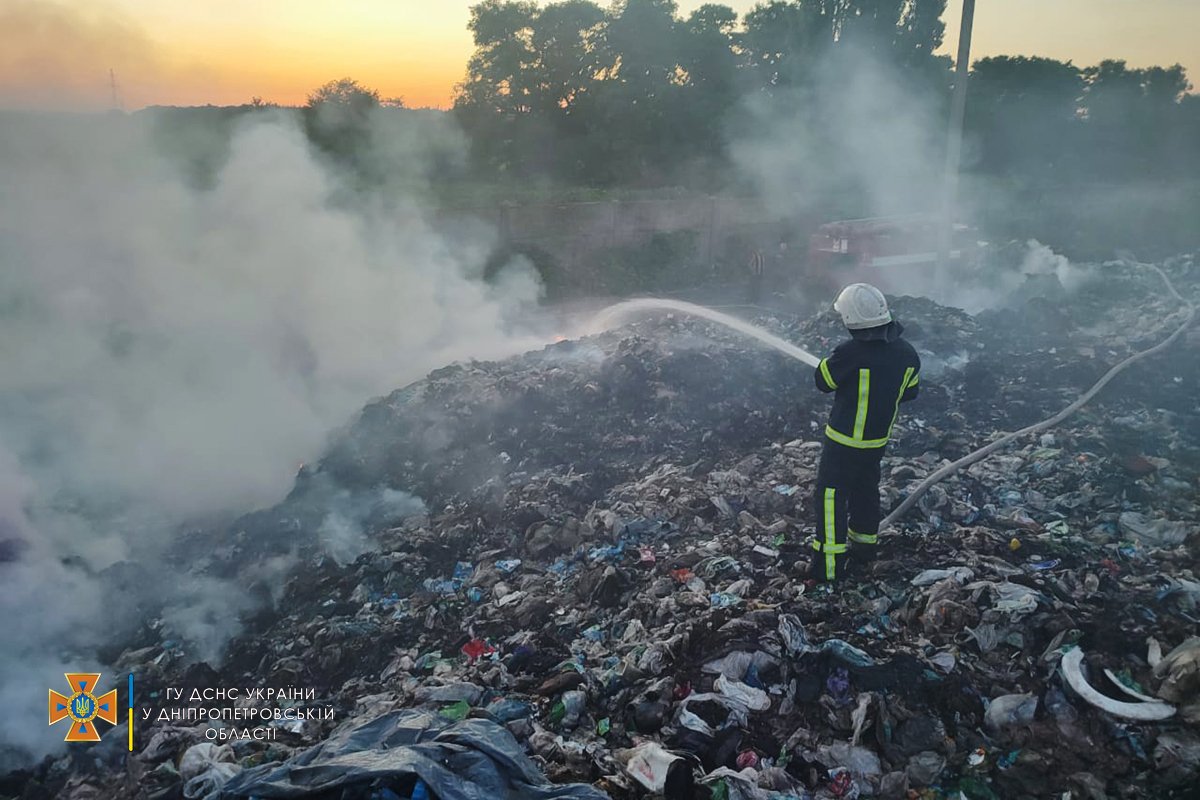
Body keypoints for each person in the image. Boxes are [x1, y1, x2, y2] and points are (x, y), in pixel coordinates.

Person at [810, 283, 921, 582]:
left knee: (831, 496)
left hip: (843, 442)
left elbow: (823, 381)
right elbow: (910, 392)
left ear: (852, 320)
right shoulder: (907, 353)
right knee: (865, 491)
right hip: (876, 442)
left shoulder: (850, 353)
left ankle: (829, 567)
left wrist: (828, 364)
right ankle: (864, 550)